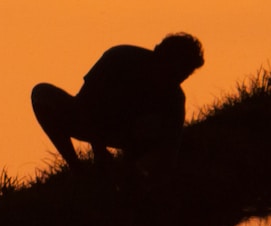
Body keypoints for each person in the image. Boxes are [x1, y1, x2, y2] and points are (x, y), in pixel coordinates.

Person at [31, 33, 204, 167]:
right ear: (161, 56)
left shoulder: (174, 98)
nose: (179, 78)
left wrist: (139, 167)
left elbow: (169, 151)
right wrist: (98, 150)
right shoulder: (119, 57)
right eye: (177, 70)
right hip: (89, 121)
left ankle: (128, 171)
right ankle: (76, 167)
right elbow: (88, 103)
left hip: (129, 137)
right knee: (41, 93)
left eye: (186, 74)